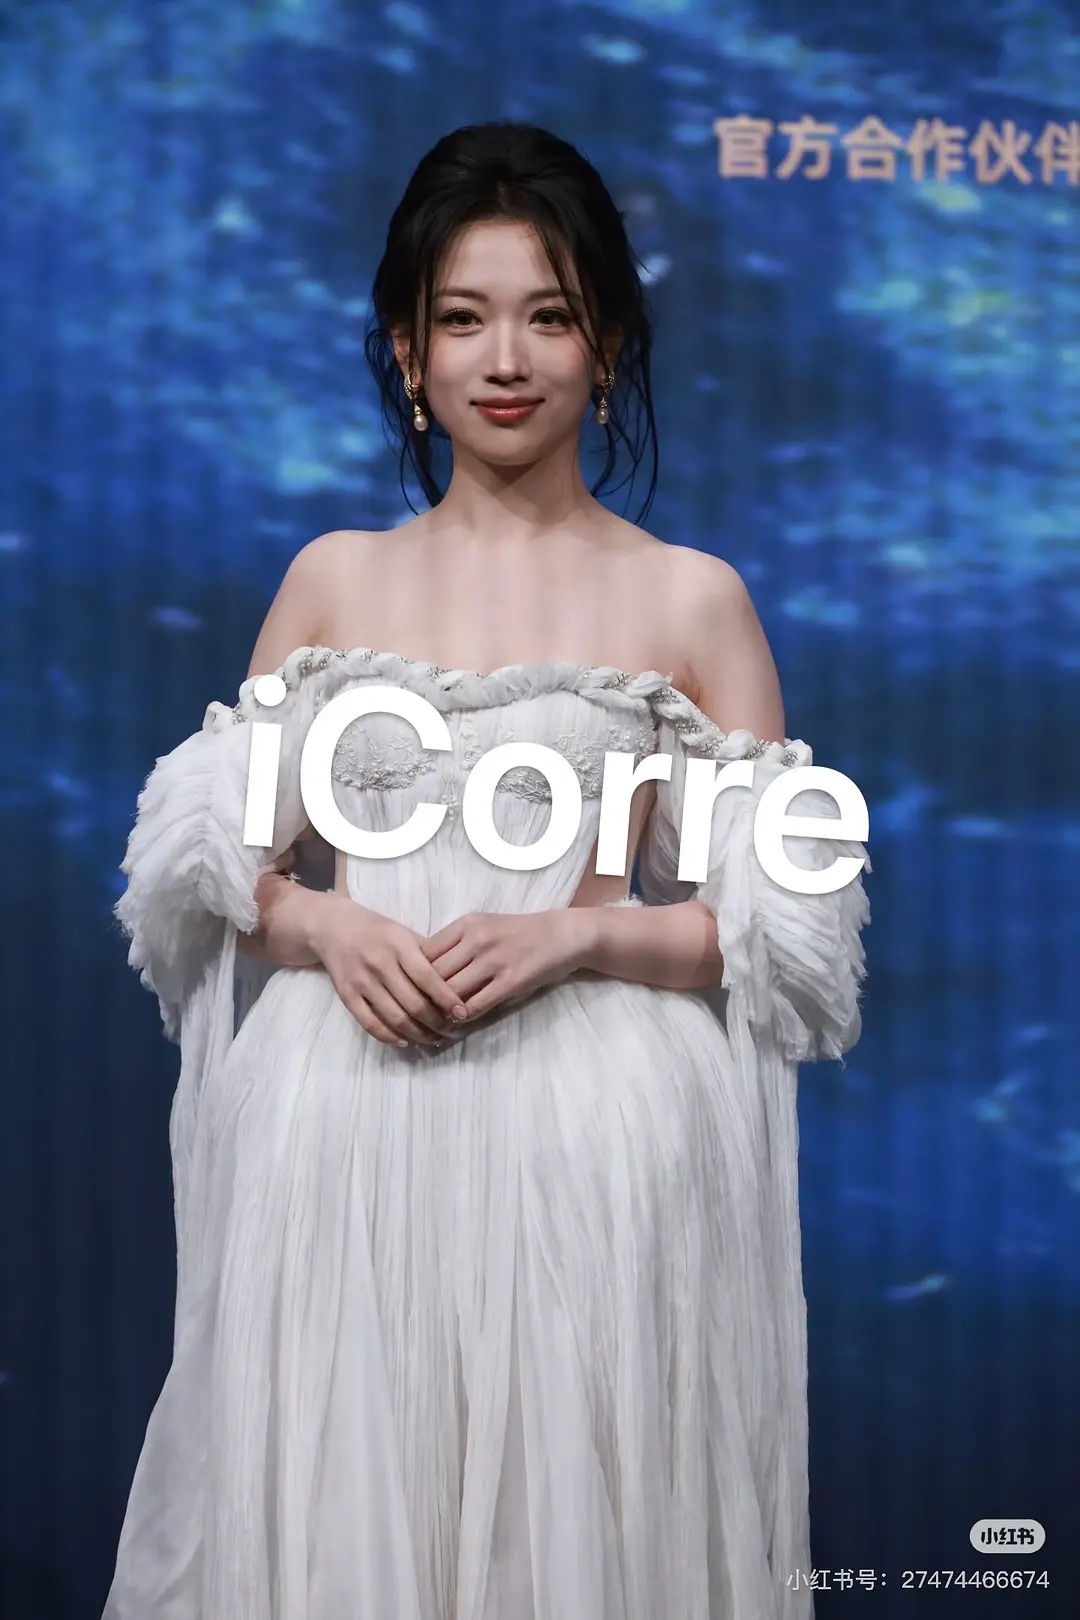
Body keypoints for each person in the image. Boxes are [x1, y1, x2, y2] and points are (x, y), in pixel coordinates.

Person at [104, 122, 870, 1620]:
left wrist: (581, 939)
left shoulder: (691, 599)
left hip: (591, 1136)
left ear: (609, 343)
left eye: (549, 316)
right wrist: (326, 924)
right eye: (462, 319)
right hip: (339, 1126)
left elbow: (781, 926)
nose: (504, 359)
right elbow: (210, 869)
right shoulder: (334, 580)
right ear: (408, 351)